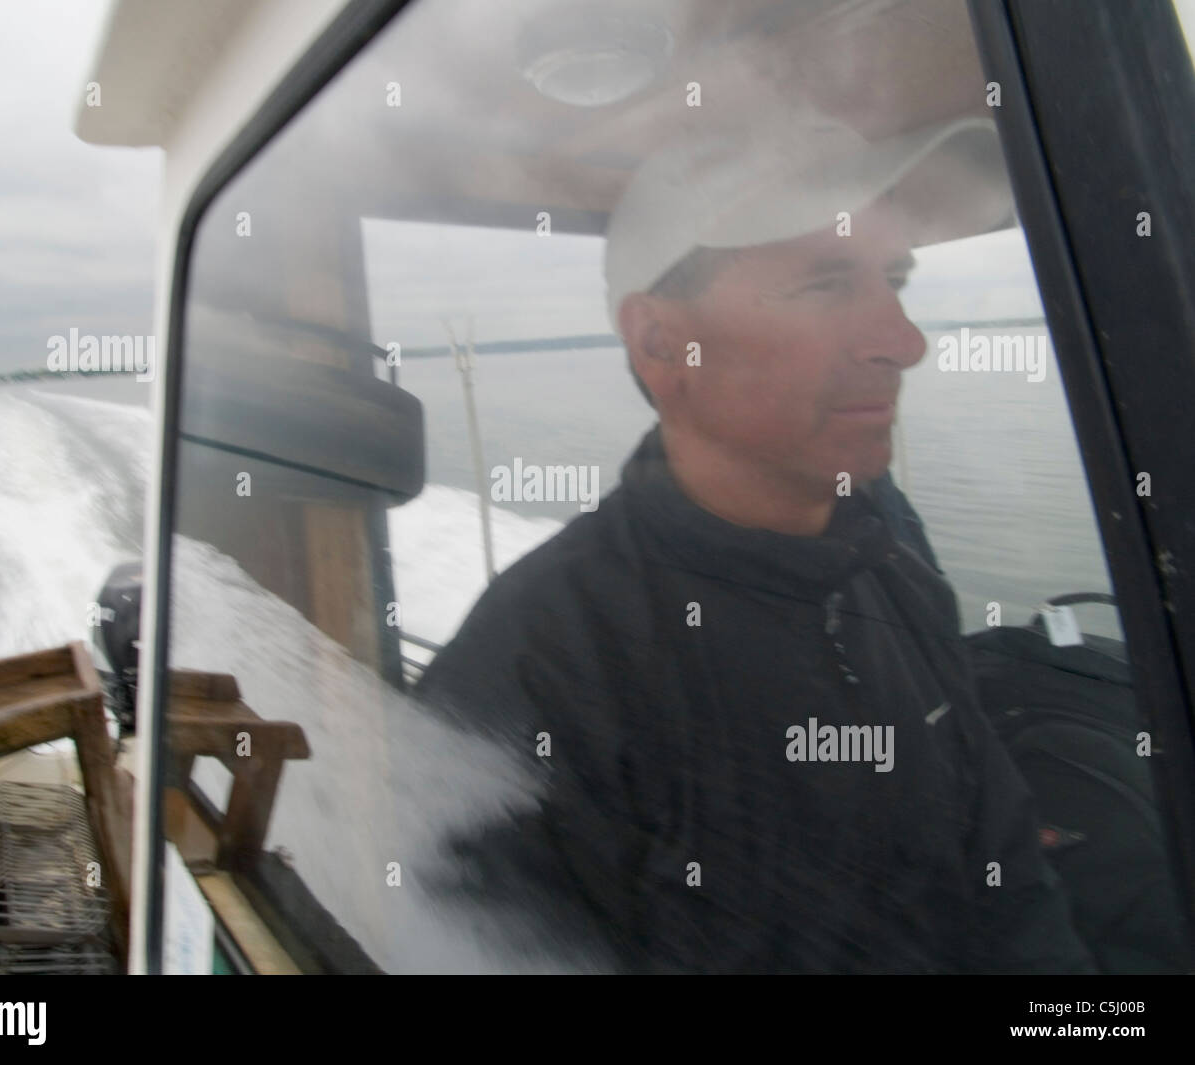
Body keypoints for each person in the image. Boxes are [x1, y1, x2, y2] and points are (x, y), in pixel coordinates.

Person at [415, 108, 1095, 973]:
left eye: (896, 279)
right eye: (825, 284)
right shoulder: (532, 677)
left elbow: (1010, 891)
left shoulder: (893, 564)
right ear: (665, 343)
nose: (905, 342)